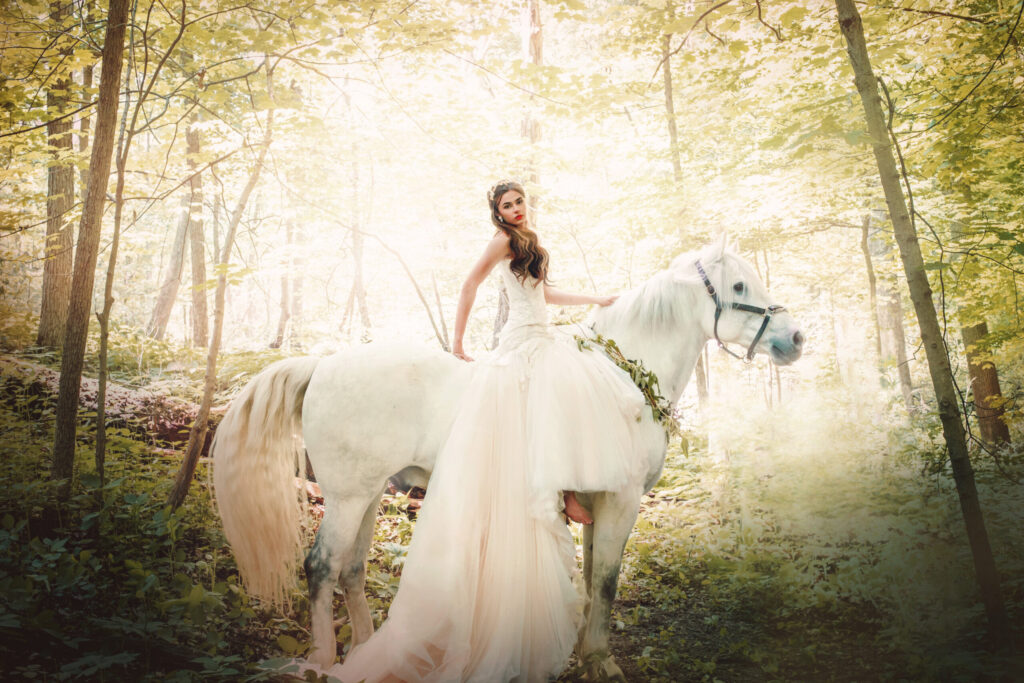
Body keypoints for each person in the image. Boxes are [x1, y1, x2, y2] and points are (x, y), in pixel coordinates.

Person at [330, 180, 648, 683]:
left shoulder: (529, 239)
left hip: (543, 335)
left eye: (519, 201)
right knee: (547, 396)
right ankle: (563, 492)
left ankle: (565, 487)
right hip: (521, 342)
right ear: (497, 213)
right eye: (507, 205)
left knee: (572, 389)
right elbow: (469, 285)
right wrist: (458, 342)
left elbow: (544, 294)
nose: (516, 209)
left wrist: (596, 298)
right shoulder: (501, 241)